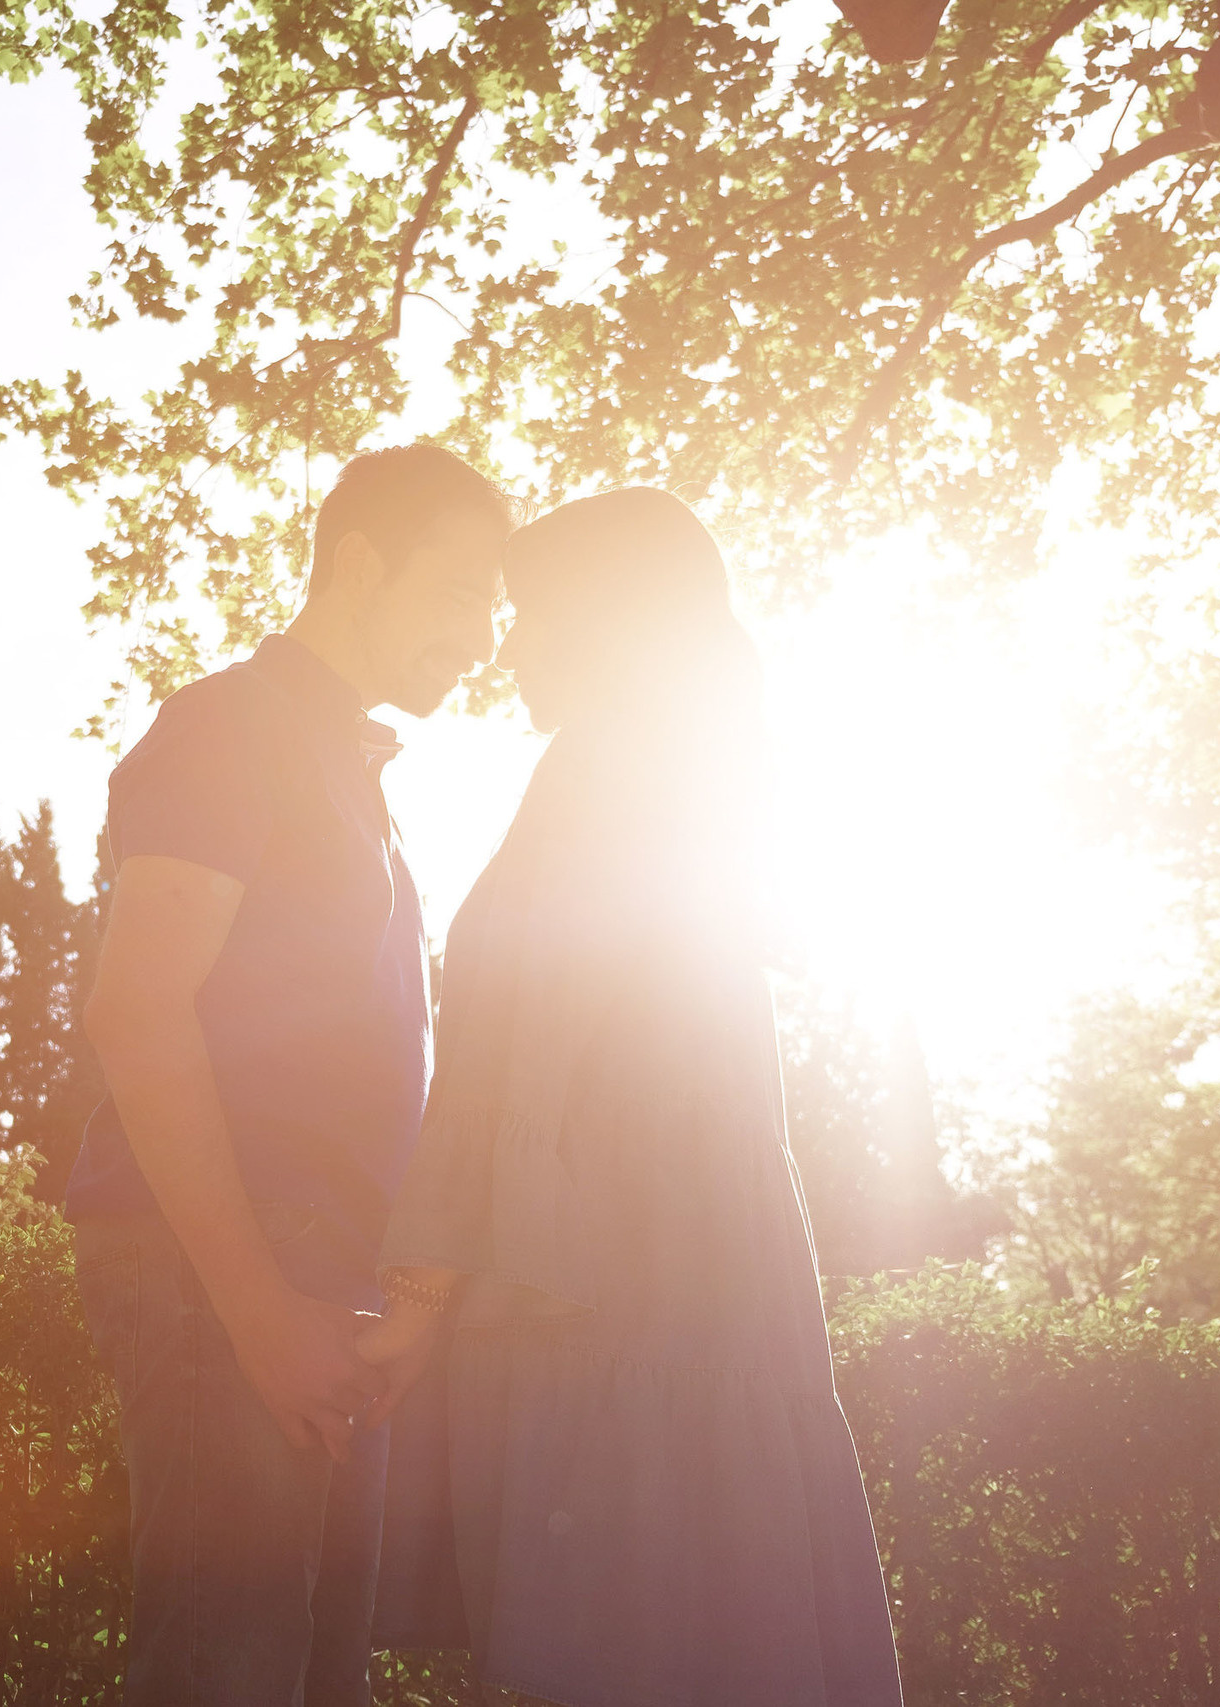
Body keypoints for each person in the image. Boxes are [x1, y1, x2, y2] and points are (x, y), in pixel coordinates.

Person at [356, 488, 906, 1707]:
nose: (508, 647)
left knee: (616, 1634)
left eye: (532, 613)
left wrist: (415, 1297)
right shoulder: (688, 784)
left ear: (605, 623)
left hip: (604, 1281)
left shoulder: (604, 771)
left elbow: (511, 1047)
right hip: (703, 1275)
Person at [66, 444, 513, 1707]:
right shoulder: (229, 726)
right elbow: (136, 1011)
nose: (483, 636)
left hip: (324, 1296)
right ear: (360, 561)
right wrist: (258, 1311)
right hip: (229, 1279)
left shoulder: (357, 779)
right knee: (225, 1679)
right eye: (464, 589)